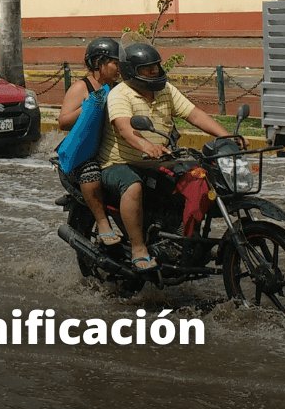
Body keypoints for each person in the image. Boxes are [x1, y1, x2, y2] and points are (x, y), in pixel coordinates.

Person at [98, 42, 231, 272]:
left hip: (158, 162)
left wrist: (227, 136)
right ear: (131, 70)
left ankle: (187, 238)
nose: (154, 71)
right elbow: (124, 128)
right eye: (147, 68)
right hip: (120, 163)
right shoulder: (120, 94)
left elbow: (194, 114)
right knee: (133, 186)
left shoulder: (165, 90)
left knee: (199, 177)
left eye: (156, 67)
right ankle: (139, 248)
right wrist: (147, 146)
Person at [56, 38, 121, 246]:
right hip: (83, 156)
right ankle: (102, 222)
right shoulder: (81, 87)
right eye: (115, 63)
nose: (119, 68)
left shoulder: (118, 88)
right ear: (98, 63)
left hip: (109, 148)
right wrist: (89, 106)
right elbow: (63, 122)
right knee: (91, 172)